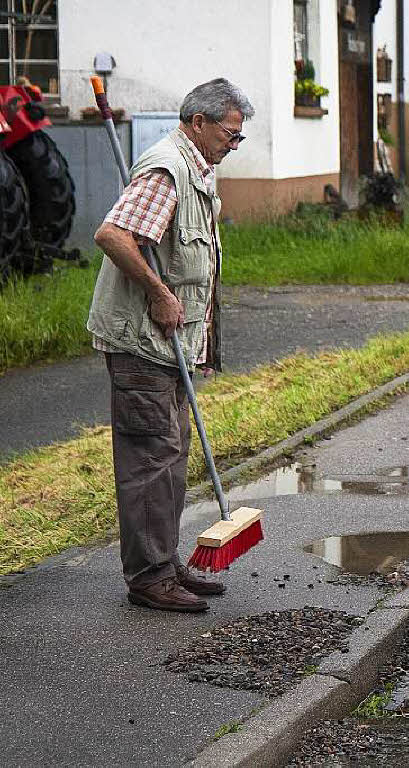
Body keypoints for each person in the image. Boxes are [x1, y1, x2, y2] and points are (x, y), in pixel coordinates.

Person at [87, 78, 254, 613]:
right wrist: (158, 293)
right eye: (231, 134)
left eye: (240, 137)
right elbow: (112, 235)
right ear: (198, 122)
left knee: (171, 453)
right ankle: (149, 577)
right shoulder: (167, 169)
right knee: (151, 458)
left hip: (169, 347)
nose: (234, 144)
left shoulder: (197, 171)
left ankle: (164, 561)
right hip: (143, 344)